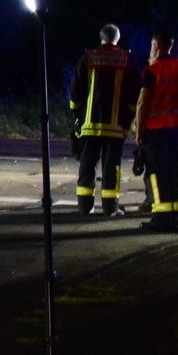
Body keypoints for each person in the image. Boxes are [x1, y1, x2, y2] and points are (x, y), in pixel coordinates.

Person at [69, 24, 136, 216]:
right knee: (111, 167)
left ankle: (84, 206)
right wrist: (130, 118)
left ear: (101, 37)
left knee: (87, 165)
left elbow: (76, 91)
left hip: (89, 124)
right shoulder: (126, 60)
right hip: (115, 126)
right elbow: (134, 93)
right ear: (117, 39)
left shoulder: (88, 57)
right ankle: (110, 207)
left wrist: (76, 113)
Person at [133, 32, 178, 232]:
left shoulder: (152, 70)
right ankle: (176, 212)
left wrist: (139, 130)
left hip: (157, 129)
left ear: (157, 47)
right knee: (176, 171)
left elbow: (143, 102)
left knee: (157, 174)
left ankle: (161, 217)